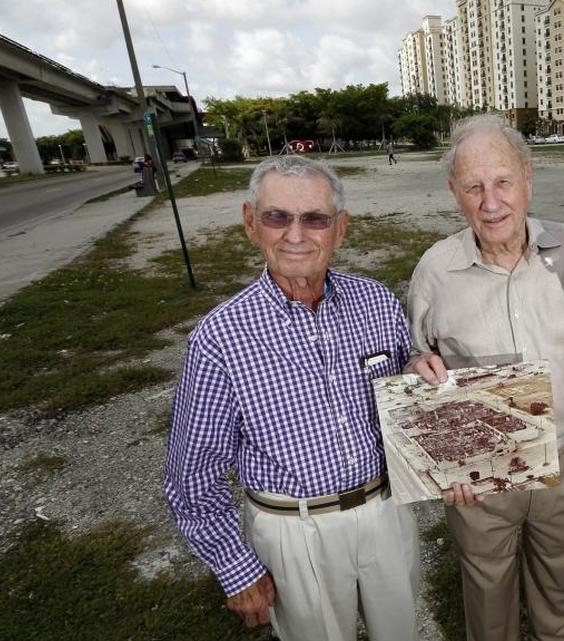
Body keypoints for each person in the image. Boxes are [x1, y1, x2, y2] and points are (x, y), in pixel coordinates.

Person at [163, 155, 420, 641]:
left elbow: (407, 397)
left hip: (385, 511)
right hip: (294, 531)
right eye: (277, 216)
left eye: (315, 219)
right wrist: (235, 568)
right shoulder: (221, 337)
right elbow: (193, 476)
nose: (295, 234)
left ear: (340, 229)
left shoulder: (377, 302)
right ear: (250, 223)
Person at [405, 113, 564, 641]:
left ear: (528, 180)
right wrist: (416, 371)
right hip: (479, 475)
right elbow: (418, 357)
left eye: (502, 182)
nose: (490, 202)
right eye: (473, 186)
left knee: (559, 583)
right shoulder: (435, 270)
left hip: (562, 462)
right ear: (454, 192)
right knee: (487, 591)